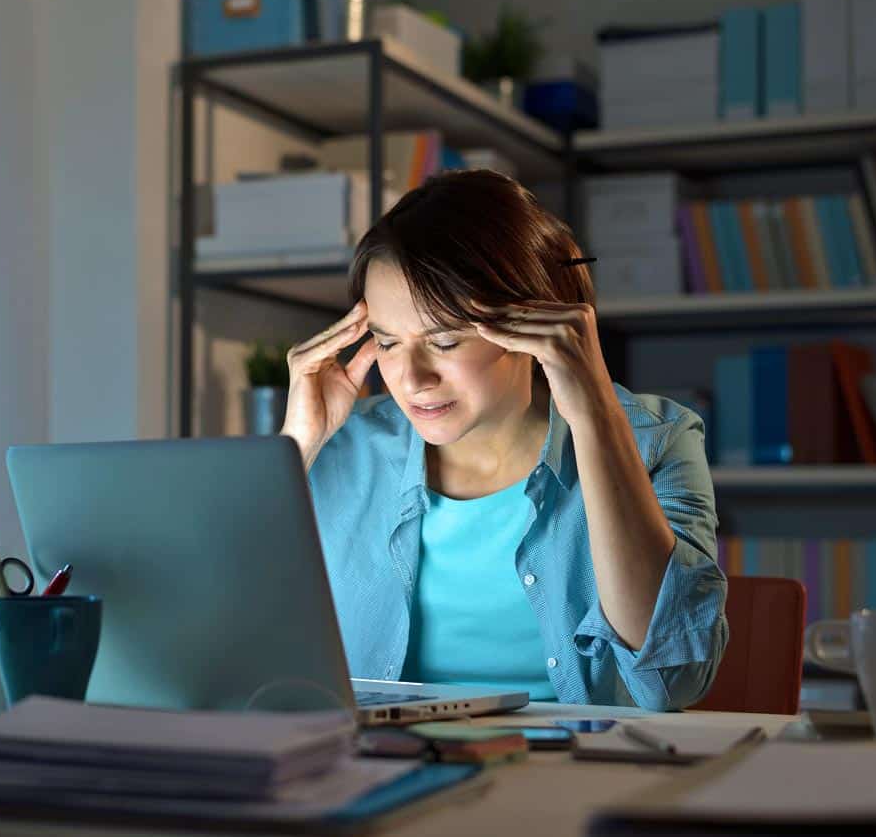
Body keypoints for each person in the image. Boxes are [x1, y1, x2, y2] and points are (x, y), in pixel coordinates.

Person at [280, 169, 726, 710]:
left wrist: (595, 416)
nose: (413, 379)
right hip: (381, 770)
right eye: (388, 342)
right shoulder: (340, 447)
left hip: (574, 775)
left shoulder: (656, 440)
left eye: (444, 340)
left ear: (533, 324)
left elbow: (670, 684)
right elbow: (215, 638)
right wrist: (296, 445)